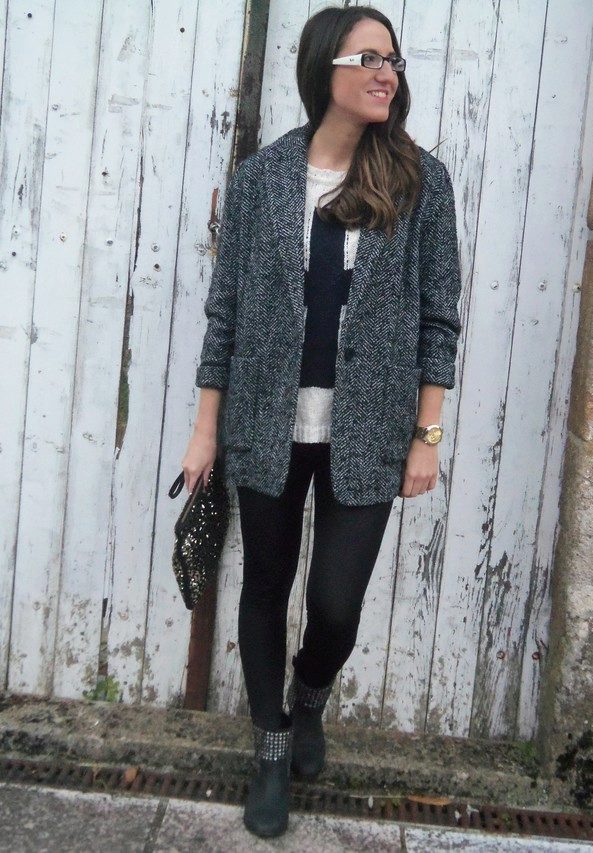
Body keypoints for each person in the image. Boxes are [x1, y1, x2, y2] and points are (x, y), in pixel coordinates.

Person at [181, 4, 462, 839]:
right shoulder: (263, 178)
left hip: (369, 433)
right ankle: (270, 746)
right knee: (265, 587)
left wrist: (427, 434)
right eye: (368, 57)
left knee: (336, 603)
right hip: (265, 424)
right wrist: (205, 430)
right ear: (322, 68)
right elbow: (226, 314)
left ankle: (310, 696)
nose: (387, 73)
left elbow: (438, 318)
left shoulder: (420, 181)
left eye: (393, 59)